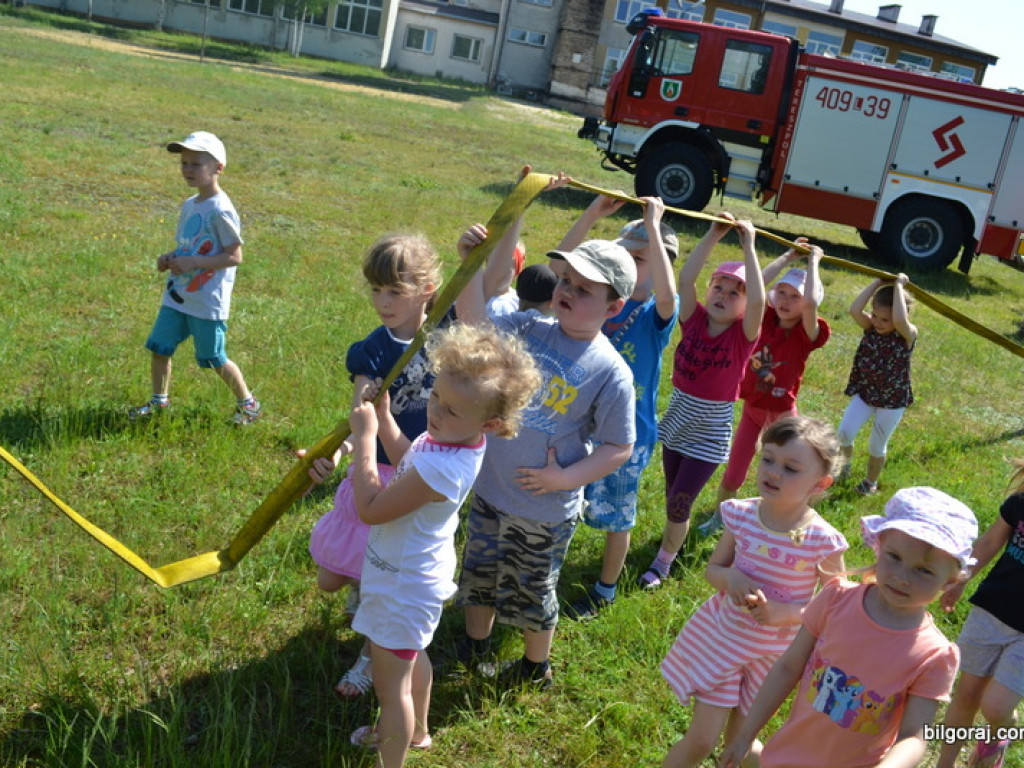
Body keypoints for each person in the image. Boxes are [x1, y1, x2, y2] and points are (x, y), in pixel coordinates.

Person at [346, 323, 541, 768]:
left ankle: (391, 750)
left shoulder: (445, 469)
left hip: (401, 587)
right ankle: (419, 732)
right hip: (414, 577)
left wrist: (362, 438)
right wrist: (388, 421)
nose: (435, 411)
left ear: (490, 424)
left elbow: (371, 508)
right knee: (412, 656)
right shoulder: (448, 441)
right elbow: (407, 460)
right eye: (435, 396)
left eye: (451, 409)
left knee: (389, 687)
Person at [452, 227, 637, 689]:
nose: (567, 291)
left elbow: (620, 447)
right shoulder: (527, 328)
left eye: (584, 288)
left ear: (614, 308)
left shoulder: (610, 371)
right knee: (479, 575)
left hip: (543, 511)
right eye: (566, 281)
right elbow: (474, 328)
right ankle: (473, 647)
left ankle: (536, 667)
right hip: (491, 489)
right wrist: (470, 263)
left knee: (532, 592)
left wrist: (564, 479)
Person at [720, 486, 979, 768]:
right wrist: (746, 734)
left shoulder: (935, 655)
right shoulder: (835, 599)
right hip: (786, 756)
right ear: (879, 547)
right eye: (894, 557)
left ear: (950, 582)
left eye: (924, 571)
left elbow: (913, 737)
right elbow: (787, 667)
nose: (902, 577)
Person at [660, 416, 848, 768]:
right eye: (768, 459)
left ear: (819, 484)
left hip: (774, 658)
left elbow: (834, 607)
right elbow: (713, 570)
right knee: (702, 739)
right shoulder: (742, 514)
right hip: (726, 641)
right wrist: (730, 579)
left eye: (791, 468)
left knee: (740, 746)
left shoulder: (823, 541)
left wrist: (786, 613)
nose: (773, 472)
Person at [306, 233, 443, 698]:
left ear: (427, 289)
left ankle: (369, 656)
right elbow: (357, 416)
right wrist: (336, 453)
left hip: (414, 477)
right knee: (329, 578)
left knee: (382, 579)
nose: (382, 302)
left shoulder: (446, 341)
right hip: (371, 472)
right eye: (376, 290)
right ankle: (363, 592)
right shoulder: (372, 349)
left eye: (395, 292)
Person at [550, 191, 680, 620]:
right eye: (624, 254)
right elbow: (558, 269)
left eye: (639, 260)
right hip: (576, 425)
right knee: (562, 496)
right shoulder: (595, 302)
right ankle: (546, 567)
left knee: (616, 516)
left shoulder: (651, 315)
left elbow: (667, 295)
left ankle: (606, 589)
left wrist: (654, 228)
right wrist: (591, 214)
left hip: (625, 436)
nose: (628, 264)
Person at [639, 213, 766, 589]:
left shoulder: (743, 337)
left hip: (709, 433)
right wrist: (714, 234)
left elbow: (759, 299)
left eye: (734, 293)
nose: (723, 296)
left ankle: (663, 563)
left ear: (744, 307)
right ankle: (670, 542)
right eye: (719, 288)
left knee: (680, 500)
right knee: (671, 497)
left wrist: (749, 246)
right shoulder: (692, 319)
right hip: (678, 420)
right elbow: (686, 279)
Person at [130, 131, 261, 424]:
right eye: (184, 163)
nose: (188, 169)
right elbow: (188, 246)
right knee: (159, 348)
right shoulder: (191, 204)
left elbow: (234, 256)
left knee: (213, 358)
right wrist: (171, 258)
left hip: (206, 301)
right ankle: (158, 403)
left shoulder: (221, 210)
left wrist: (193, 262)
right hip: (178, 295)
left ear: (218, 168)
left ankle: (248, 404)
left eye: (196, 164)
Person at [702, 239, 830, 536]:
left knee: (780, 473)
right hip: (751, 408)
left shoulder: (806, 333)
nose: (785, 301)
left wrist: (813, 263)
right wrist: (788, 256)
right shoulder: (767, 318)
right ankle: (721, 517)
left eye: (794, 297)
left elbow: (811, 303)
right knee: (734, 469)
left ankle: (780, 520)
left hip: (781, 416)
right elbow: (754, 284)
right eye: (781, 294)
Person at [935, 460, 1024, 768]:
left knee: (996, 706)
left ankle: (998, 736)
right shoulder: (1020, 502)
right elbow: (988, 543)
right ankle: (945, 762)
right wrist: (961, 579)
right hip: (992, 610)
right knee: (967, 694)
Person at [836, 274, 917, 496]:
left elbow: (900, 321)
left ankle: (869, 482)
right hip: (866, 394)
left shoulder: (906, 335)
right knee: (844, 433)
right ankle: (843, 468)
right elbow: (854, 310)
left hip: (891, 401)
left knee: (876, 445)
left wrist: (899, 286)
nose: (877, 323)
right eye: (875, 315)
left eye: (885, 320)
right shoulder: (871, 327)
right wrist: (877, 283)